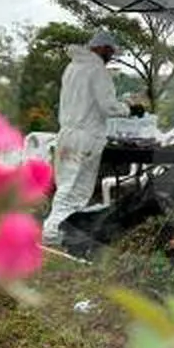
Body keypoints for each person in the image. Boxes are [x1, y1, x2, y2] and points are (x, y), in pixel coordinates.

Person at [42, 31, 131, 246]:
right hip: (85, 137)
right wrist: (128, 108)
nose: (110, 57)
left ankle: (68, 229)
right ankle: (53, 231)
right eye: (109, 51)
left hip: (67, 134)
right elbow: (107, 106)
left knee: (67, 182)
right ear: (100, 48)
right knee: (75, 187)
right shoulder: (96, 69)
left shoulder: (72, 67)